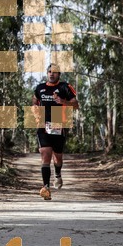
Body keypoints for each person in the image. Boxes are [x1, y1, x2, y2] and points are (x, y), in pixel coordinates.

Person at [32, 63, 79, 200]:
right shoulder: (40, 88)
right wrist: (35, 109)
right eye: (49, 72)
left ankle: (58, 173)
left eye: (55, 72)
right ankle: (46, 188)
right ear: (47, 73)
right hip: (43, 125)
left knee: (57, 158)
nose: (51, 74)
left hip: (59, 124)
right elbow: (35, 101)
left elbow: (76, 105)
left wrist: (63, 101)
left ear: (59, 74)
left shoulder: (65, 87)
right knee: (45, 154)